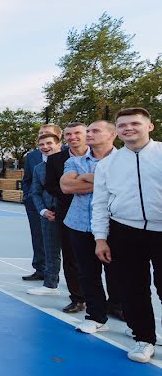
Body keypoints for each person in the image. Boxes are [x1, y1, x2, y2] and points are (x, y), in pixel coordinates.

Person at [93, 107, 162, 363]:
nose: (128, 128)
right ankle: (143, 338)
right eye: (123, 125)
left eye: (135, 123)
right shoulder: (108, 164)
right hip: (124, 231)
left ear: (149, 126)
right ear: (117, 131)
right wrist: (101, 238)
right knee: (133, 289)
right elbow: (100, 203)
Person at [60, 119, 123, 332]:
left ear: (111, 134)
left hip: (115, 225)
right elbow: (66, 186)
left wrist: (87, 179)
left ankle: (131, 317)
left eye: (95, 130)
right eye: (88, 130)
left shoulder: (123, 160)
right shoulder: (75, 160)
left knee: (120, 273)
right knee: (87, 273)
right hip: (79, 224)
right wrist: (103, 182)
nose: (89, 134)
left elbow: (123, 186)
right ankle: (96, 317)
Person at [44, 123, 87, 313]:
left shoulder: (102, 157)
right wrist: (75, 192)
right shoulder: (55, 160)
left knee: (109, 260)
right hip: (67, 213)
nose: (73, 137)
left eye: (77, 133)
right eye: (69, 134)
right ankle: (78, 298)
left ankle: (115, 303)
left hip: (102, 214)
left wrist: (77, 187)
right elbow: (52, 186)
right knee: (71, 258)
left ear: (87, 135)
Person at [21, 124, 63, 281]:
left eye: (48, 135)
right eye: (41, 135)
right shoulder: (32, 157)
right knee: (38, 237)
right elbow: (28, 180)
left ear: (58, 139)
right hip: (37, 205)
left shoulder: (67, 155)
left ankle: (66, 279)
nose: (44, 140)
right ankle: (40, 269)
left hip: (61, 207)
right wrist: (28, 198)